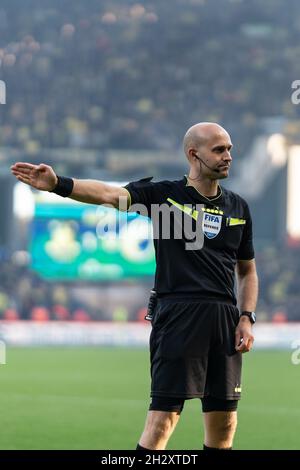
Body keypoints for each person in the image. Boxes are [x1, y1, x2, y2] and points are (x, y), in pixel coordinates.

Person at [11, 122, 258, 450]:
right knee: (162, 422)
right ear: (193, 154)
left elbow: (247, 272)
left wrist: (246, 317)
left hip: (225, 321)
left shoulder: (239, 207)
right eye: (219, 150)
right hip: (179, 315)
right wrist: (59, 184)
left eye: (229, 148)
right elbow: (109, 195)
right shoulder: (163, 196)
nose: (228, 156)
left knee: (225, 425)